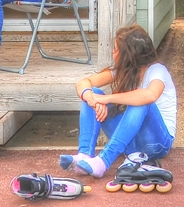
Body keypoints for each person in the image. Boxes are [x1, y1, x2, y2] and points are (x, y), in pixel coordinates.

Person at [58, 24, 177, 178]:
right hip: (131, 143)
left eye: (115, 49)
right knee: (93, 92)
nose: (112, 53)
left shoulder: (157, 70)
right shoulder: (122, 72)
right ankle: (84, 155)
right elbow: (83, 83)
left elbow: (150, 95)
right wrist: (93, 99)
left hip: (158, 143)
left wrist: (107, 98)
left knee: (142, 102)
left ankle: (103, 161)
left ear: (128, 55)